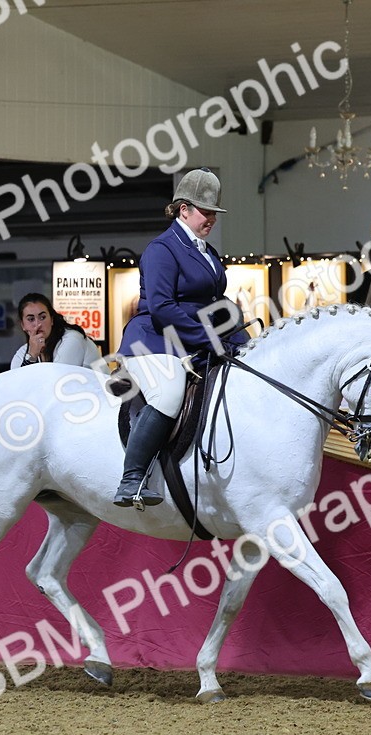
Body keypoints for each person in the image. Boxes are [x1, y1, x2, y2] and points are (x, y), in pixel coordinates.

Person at [113, 167, 247, 508]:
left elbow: (216, 303)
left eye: (215, 212)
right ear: (183, 209)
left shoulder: (208, 253)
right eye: (206, 211)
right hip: (153, 340)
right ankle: (133, 477)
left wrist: (242, 338)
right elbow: (162, 308)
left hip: (191, 341)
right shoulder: (162, 249)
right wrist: (209, 338)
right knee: (170, 393)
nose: (212, 218)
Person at [11, 293, 101, 369]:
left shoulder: (72, 339)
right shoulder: (23, 352)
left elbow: (57, 381)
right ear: (23, 325)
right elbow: (17, 385)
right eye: (31, 319)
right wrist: (32, 356)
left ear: (52, 320)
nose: (38, 324)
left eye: (42, 317)